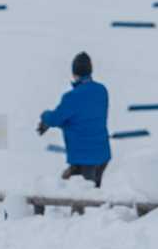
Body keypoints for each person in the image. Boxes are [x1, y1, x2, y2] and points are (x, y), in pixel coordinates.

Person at [37, 52, 111, 188]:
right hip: (102, 155)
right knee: (91, 193)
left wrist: (44, 116)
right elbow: (82, 118)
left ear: (74, 73)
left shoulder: (72, 97)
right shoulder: (101, 91)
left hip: (84, 159)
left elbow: (55, 118)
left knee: (78, 194)